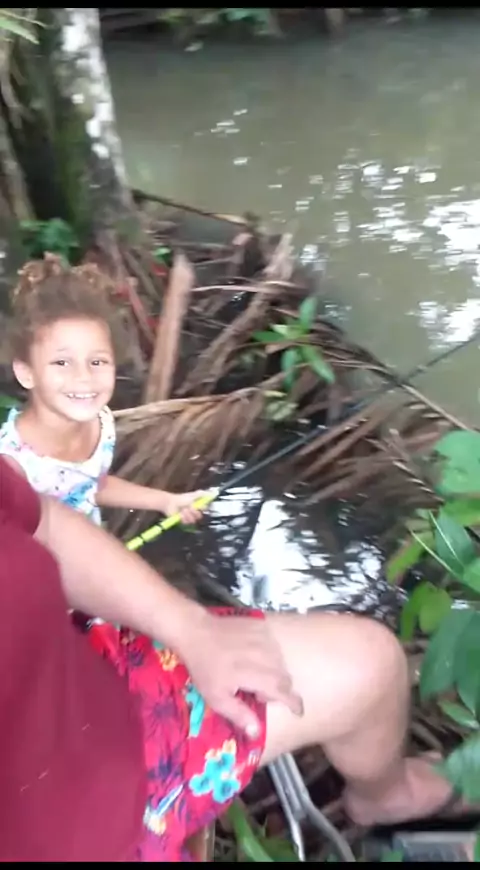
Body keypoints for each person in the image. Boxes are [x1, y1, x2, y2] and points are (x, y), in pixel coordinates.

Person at [0, 455, 465, 861]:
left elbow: (42, 522)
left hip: (105, 694)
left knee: (367, 664)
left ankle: (387, 797)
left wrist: (187, 626)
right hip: (99, 840)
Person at [0, 255, 204, 527]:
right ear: (26, 372)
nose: (84, 377)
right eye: (62, 362)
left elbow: (92, 486)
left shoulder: (101, 422)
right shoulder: (11, 466)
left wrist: (165, 501)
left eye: (97, 362)